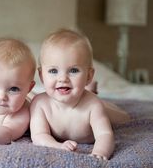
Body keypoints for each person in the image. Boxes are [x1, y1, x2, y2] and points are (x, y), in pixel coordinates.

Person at [29, 29, 130, 160]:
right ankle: (88, 89)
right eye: (53, 70)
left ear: (89, 76)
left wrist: (100, 152)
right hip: (73, 95)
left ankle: (90, 90)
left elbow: (104, 134)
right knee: (29, 97)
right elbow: (38, 135)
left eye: (73, 70)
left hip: (90, 103)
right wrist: (57, 145)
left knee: (123, 117)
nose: (63, 78)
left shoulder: (93, 105)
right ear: (42, 76)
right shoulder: (39, 103)